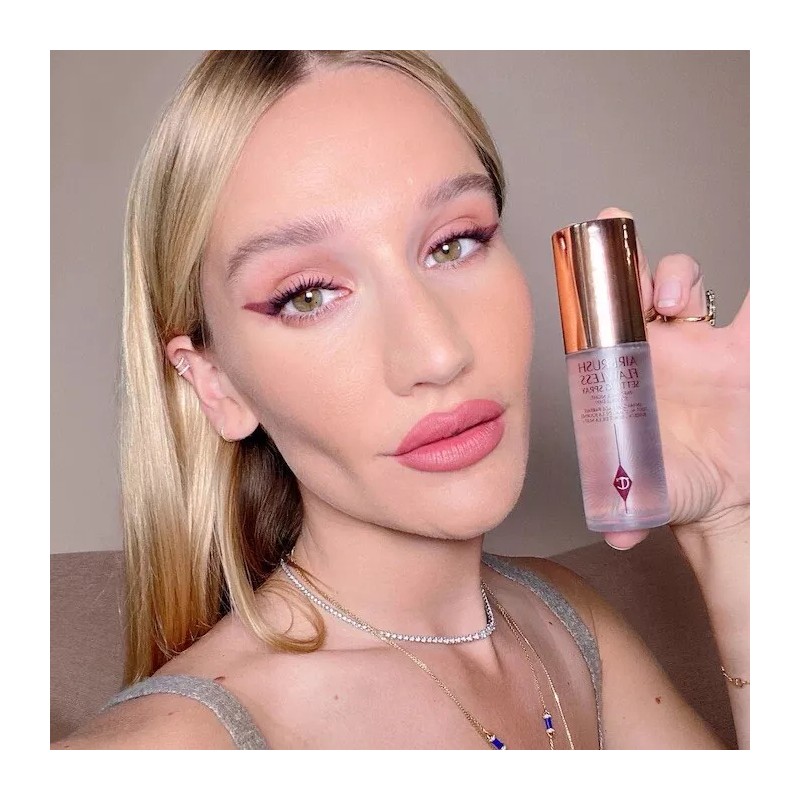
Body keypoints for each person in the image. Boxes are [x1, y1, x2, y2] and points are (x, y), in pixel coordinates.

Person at [51, 50, 749, 750]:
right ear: (215, 384)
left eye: (453, 245)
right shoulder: (173, 749)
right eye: (308, 295)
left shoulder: (566, 624)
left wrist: (732, 515)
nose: (438, 355)